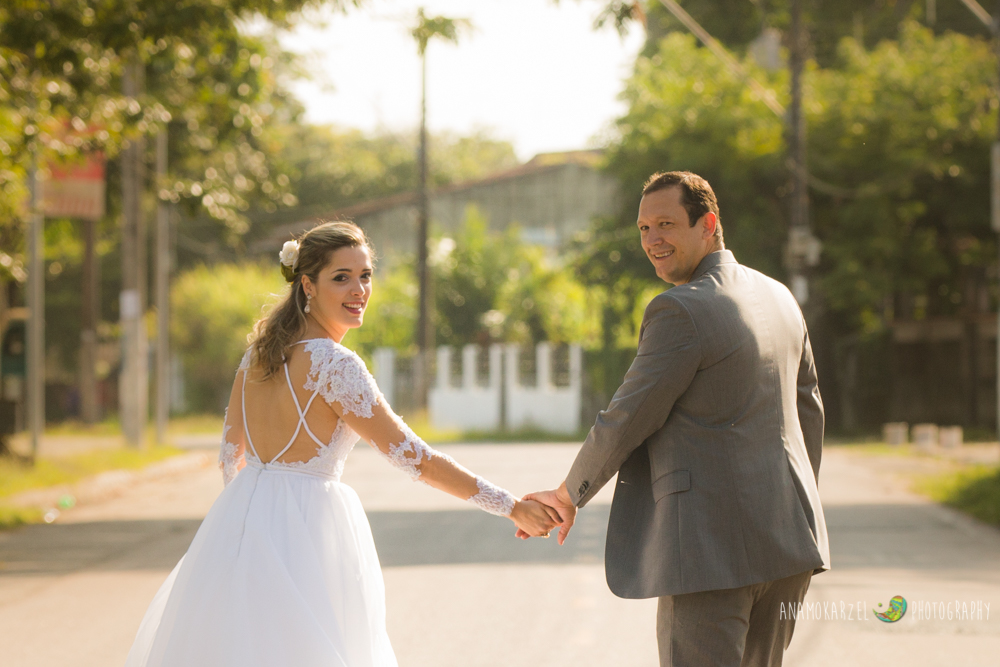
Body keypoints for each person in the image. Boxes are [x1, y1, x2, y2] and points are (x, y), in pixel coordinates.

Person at [124, 221, 558, 667]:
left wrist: (248, 524)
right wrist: (510, 505)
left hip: (241, 524)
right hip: (310, 531)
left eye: (365, 275)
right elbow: (415, 459)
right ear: (307, 285)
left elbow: (229, 456)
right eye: (341, 277)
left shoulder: (257, 355)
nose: (359, 289)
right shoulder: (334, 364)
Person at [524, 172, 830, 667]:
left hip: (711, 551)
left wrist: (567, 493)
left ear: (708, 224)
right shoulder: (780, 297)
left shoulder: (680, 310)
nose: (652, 240)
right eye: (644, 228)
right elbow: (808, 410)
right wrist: (789, 504)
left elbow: (627, 416)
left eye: (665, 224)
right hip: (787, 541)